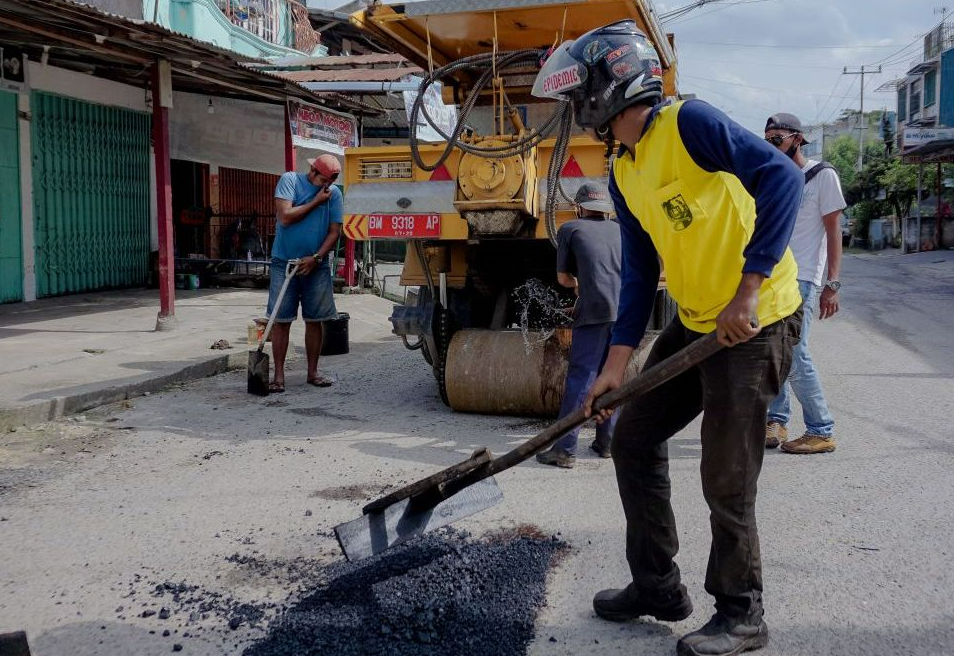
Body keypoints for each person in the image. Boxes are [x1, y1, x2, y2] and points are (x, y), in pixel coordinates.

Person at [533, 21, 803, 656]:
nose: (574, 112)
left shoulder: (690, 124)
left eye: (578, 98)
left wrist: (748, 291)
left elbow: (782, 181)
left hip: (756, 318)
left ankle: (741, 612)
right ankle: (656, 586)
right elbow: (641, 270)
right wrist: (616, 364)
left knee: (725, 475)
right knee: (634, 438)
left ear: (607, 90)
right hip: (699, 318)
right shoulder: (625, 170)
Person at [764, 113, 845, 454]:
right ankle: (777, 420)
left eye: (777, 138)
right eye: (766, 138)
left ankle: (820, 428)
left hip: (802, 277)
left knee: (795, 352)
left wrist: (833, 283)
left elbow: (833, 230)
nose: (770, 144)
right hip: (773, 275)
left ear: (797, 138)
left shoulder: (821, 175)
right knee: (775, 351)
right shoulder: (775, 177)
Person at [536, 182, 622, 469]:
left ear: (579, 207)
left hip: (594, 311)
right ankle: (607, 442)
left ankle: (565, 449)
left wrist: (579, 286)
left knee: (581, 379)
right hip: (623, 312)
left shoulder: (570, 229)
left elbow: (563, 279)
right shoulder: (621, 229)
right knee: (610, 375)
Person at [267, 154, 342, 392]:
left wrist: (317, 258)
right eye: (324, 180)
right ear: (312, 171)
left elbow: (334, 232)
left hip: (315, 265)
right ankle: (278, 377)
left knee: (314, 320)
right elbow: (285, 217)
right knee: (281, 321)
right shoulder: (289, 181)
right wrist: (316, 202)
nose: (327, 186)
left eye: (330, 182)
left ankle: (313, 372)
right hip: (284, 263)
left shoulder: (335, 195)